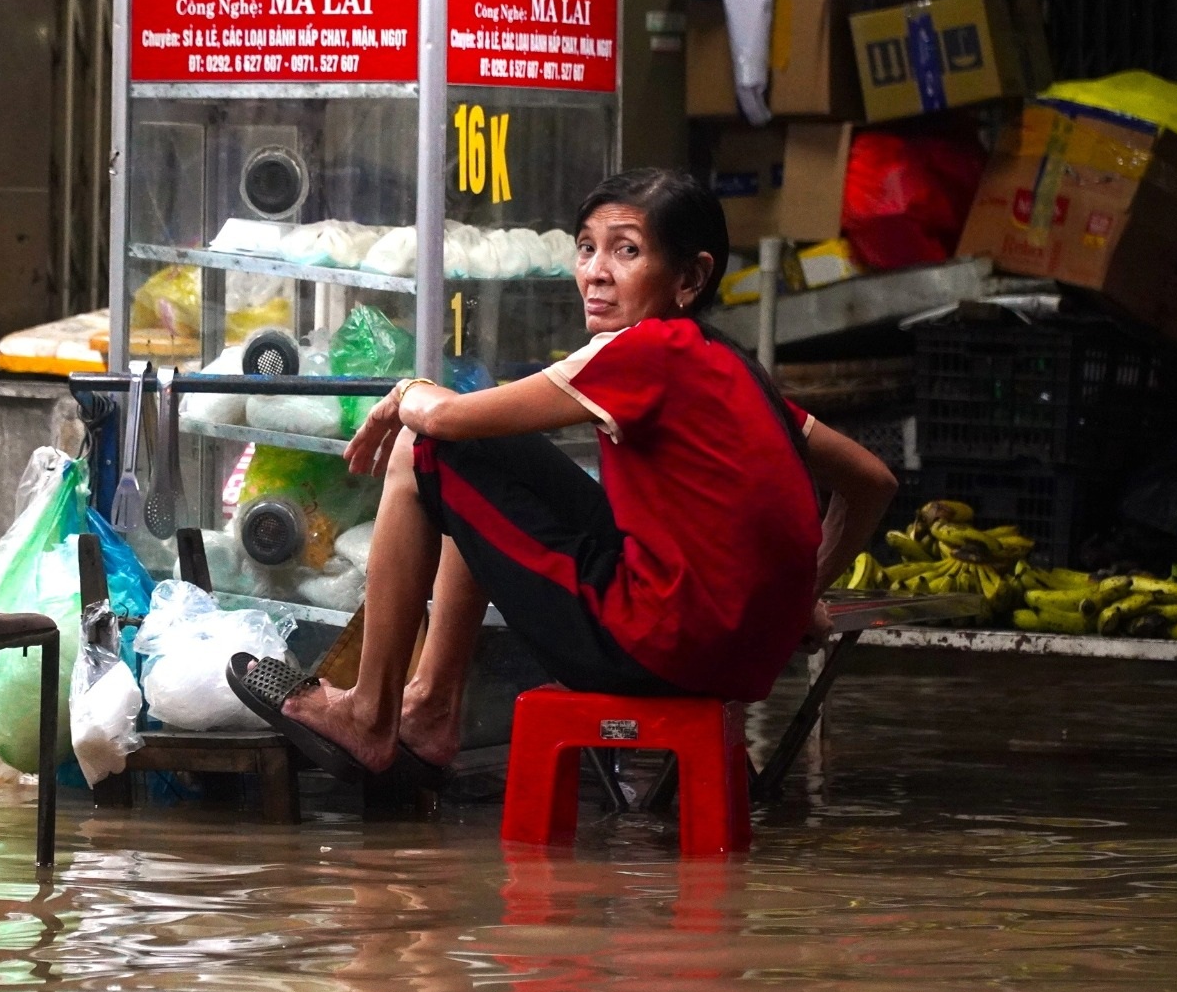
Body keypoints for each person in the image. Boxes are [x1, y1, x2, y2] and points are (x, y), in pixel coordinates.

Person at [228, 168, 899, 781]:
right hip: (744, 654)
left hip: (659, 651)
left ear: (690, 278)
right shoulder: (731, 367)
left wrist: (407, 391)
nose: (595, 273)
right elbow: (872, 480)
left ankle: (371, 715)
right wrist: (800, 596)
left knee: (425, 451)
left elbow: (449, 421)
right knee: (480, 462)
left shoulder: (641, 352)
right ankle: (427, 704)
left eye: (626, 250)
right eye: (586, 248)